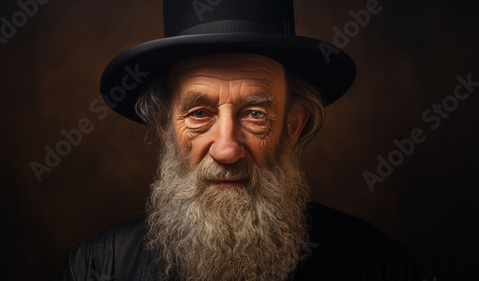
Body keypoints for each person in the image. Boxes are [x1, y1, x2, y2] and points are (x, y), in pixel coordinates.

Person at [60, 0, 419, 280]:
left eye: (255, 114)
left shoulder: (380, 268)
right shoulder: (96, 268)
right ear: (165, 127)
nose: (227, 149)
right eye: (200, 113)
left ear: (293, 126)